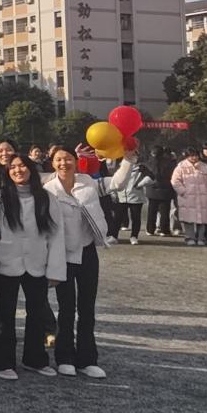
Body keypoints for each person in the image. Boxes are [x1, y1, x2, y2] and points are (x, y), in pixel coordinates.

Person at [0, 156, 67, 379]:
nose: (18, 170)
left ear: (31, 169)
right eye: (13, 167)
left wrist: (55, 270)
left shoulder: (47, 198)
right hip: (6, 262)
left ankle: (35, 359)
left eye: (22, 166)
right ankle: (2, 362)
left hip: (37, 263)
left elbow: (56, 235)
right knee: (4, 313)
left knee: (37, 313)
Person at [44, 145, 126, 379]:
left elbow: (117, 183)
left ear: (76, 161)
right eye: (59, 160)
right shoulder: (48, 190)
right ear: (53, 163)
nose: (64, 163)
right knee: (66, 308)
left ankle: (87, 359)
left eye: (68, 158)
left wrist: (129, 160)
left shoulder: (88, 182)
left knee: (87, 308)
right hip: (63, 255)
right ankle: (64, 358)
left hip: (88, 251)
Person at [171, 147, 207, 246]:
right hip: (187, 197)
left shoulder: (204, 166)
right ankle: (189, 237)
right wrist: (183, 192)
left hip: (203, 197)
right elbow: (175, 181)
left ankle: (201, 238)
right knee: (188, 220)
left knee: (202, 219)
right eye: (191, 156)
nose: (194, 158)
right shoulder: (181, 167)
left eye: (196, 155)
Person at [144, 147, 177, 238]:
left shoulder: (149, 163)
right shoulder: (168, 163)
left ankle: (150, 229)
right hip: (165, 189)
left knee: (151, 211)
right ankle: (164, 230)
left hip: (152, 189)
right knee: (165, 211)